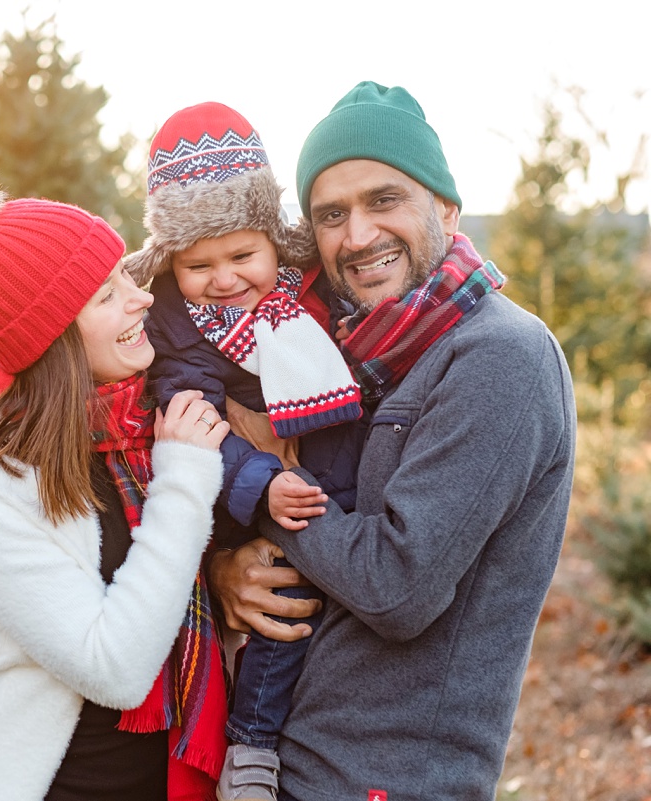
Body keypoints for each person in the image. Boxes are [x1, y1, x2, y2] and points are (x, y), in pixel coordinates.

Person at [209, 81, 577, 801]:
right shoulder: (355, 355)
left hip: (384, 781)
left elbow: (396, 585)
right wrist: (231, 573)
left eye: (385, 200)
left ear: (444, 206)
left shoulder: (499, 356)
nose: (357, 236)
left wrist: (262, 488)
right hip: (294, 765)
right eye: (331, 214)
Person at [0, 165, 232, 801]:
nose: (141, 298)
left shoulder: (149, 417)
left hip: (175, 781)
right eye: (106, 296)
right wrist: (184, 483)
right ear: (51, 342)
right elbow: (116, 670)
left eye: (125, 275)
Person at [124, 102, 365, 801]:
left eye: (241, 257)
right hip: (240, 502)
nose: (223, 280)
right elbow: (190, 417)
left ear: (272, 242)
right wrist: (260, 484)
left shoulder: (309, 302)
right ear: (173, 262)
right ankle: (251, 747)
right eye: (198, 264)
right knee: (278, 599)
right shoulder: (176, 325)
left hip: (329, 484)